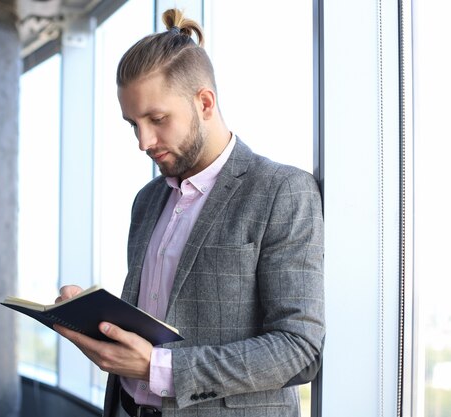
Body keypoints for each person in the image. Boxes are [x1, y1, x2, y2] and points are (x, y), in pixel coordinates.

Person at [54, 8, 325, 417]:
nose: (144, 141)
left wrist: (157, 368)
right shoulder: (147, 200)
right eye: (133, 124)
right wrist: (97, 322)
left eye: (157, 119)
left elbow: (299, 348)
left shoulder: (282, 191)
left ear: (205, 102)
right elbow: (162, 320)